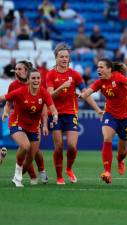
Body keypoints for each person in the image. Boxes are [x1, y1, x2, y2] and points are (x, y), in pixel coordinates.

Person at [79, 59, 127, 184]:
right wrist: (82, 96)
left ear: (109, 69)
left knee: (122, 150)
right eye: (98, 67)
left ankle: (120, 160)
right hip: (110, 114)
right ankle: (107, 172)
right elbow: (88, 92)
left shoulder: (117, 77)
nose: (98, 69)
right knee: (107, 138)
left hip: (126, 116)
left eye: (101, 67)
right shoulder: (99, 82)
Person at [46, 43, 102, 185]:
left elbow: (86, 92)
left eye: (66, 57)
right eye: (61, 57)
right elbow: (50, 96)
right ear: (56, 58)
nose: (64, 59)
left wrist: (97, 109)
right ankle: (59, 176)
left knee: (71, 146)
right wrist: (61, 87)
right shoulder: (50, 74)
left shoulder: (75, 75)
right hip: (55, 114)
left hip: (71, 114)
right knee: (58, 146)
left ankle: (69, 169)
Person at [0, 69, 58, 187]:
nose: (36, 80)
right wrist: (5, 112)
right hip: (17, 124)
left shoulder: (44, 93)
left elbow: (52, 107)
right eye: (33, 78)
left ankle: (25, 173)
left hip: (33, 127)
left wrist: (55, 116)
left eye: (38, 78)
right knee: (25, 146)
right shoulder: (20, 91)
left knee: (31, 157)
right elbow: (4, 98)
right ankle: (18, 176)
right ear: (29, 80)